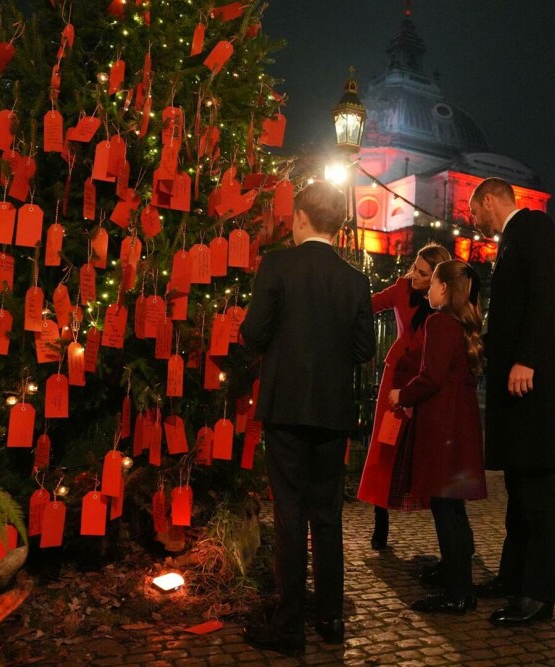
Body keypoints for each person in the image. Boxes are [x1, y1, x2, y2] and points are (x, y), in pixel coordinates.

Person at [240, 181, 376, 657]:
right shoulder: (356, 280)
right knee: (327, 516)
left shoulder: (277, 265)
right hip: (334, 411)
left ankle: (290, 623)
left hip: (286, 406)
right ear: (338, 227)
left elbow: (253, 333)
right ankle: (332, 618)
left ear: (300, 218)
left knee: (290, 514)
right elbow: (364, 350)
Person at [468, 177, 555, 627]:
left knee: (536, 487)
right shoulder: (512, 238)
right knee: (519, 485)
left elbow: (543, 297)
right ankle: (513, 577)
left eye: (474, 209)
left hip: (531, 381)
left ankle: (537, 593)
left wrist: (526, 358)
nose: (472, 218)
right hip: (517, 381)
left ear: (491, 200)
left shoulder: (534, 227)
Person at [389, 260, 487, 613]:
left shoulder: (439, 322)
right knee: (452, 508)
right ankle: (461, 587)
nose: (427, 289)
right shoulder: (461, 324)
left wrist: (401, 395)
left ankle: (458, 593)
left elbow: (431, 377)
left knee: (446, 510)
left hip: (444, 425)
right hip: (459, 423)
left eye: (432, 284)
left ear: (444, 288)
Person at [357, 243, 451, 551]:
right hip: (397, 376)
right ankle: (380, 520)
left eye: (423, 274)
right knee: (386, 445)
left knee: (426, 450)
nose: (415, 276)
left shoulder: (444, 299)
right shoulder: (401, 288)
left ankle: (447, 537)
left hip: (427, 379)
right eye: (415, 268)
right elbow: (368, 304)